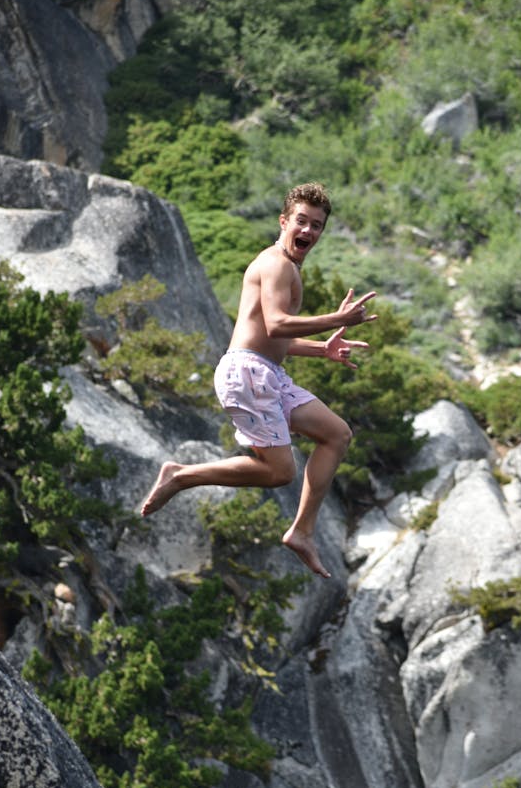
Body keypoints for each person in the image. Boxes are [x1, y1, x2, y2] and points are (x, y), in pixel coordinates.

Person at [140, 182, 376, 578]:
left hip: (266, 373)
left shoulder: (286, 267)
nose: (308, 231)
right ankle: (180, 476)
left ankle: (302, 531)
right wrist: (338, 319)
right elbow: (277, 323)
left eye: (317, 226)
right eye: (301, 221)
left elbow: (271, 336)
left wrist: (323, 349)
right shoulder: (276, 264)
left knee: (337, 434)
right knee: (280, 472)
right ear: (284, 222)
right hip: (247, 373)